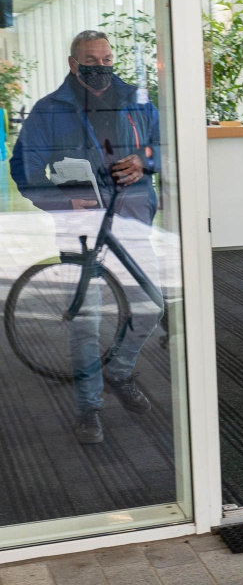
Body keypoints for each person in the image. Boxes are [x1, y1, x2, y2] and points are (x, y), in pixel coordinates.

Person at [10, 30, 160, 445]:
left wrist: (145, 162)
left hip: (131, 217)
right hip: (81, 224)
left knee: (151, 304)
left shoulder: (137, 100)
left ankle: (119, 371)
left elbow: (163, 146)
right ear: (74, 64)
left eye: (107, 58)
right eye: (92, 61)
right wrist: (61, 200)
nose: (101, 66)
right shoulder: (49, 110)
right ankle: (89, 407)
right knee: (87, 320)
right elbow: (24, 168)